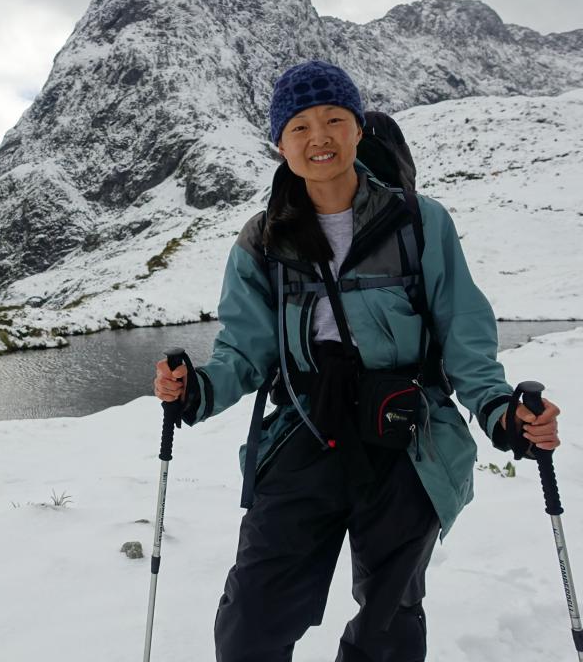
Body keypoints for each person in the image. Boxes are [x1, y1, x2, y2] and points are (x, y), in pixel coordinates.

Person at [152, 60, 561, 662]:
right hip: (304, 432)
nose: (319, 137)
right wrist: (196, 389)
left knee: (388, 625)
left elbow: (464, 334)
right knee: (254, 616)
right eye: (300, 126)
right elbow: (244, 349)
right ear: (280, 142)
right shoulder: (262, 240)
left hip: (407, 437)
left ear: (358, 130)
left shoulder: (421, 222)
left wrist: (501, 411)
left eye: (334, 119)